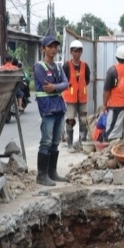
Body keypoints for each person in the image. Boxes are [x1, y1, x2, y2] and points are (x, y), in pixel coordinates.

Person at [33, 35, 69, 186]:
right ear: (43, 49)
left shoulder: (59, 67)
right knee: (46, 141)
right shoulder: (39, 67)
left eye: (55, 46)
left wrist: (56, 86)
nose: (53, 49)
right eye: (50, 47)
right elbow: (46, 86)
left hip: (59, 108)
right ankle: (41, 175)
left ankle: (51, 172)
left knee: (55, 141)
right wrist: (57, 85)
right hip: (47, 109)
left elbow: (66, 83)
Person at [62, 40, 91, 149]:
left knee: (83, 120)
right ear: (71, 52)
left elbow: (87, 80)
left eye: (79, 51)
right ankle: (70, 144)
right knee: (70, 120)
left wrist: (80, 87)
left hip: (82, 98)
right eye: (75, 51)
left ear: (81, 52)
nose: (77, 53)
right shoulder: (66, 66)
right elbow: (63, 80)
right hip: (71, 98)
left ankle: (82, 143)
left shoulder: (85, 66)